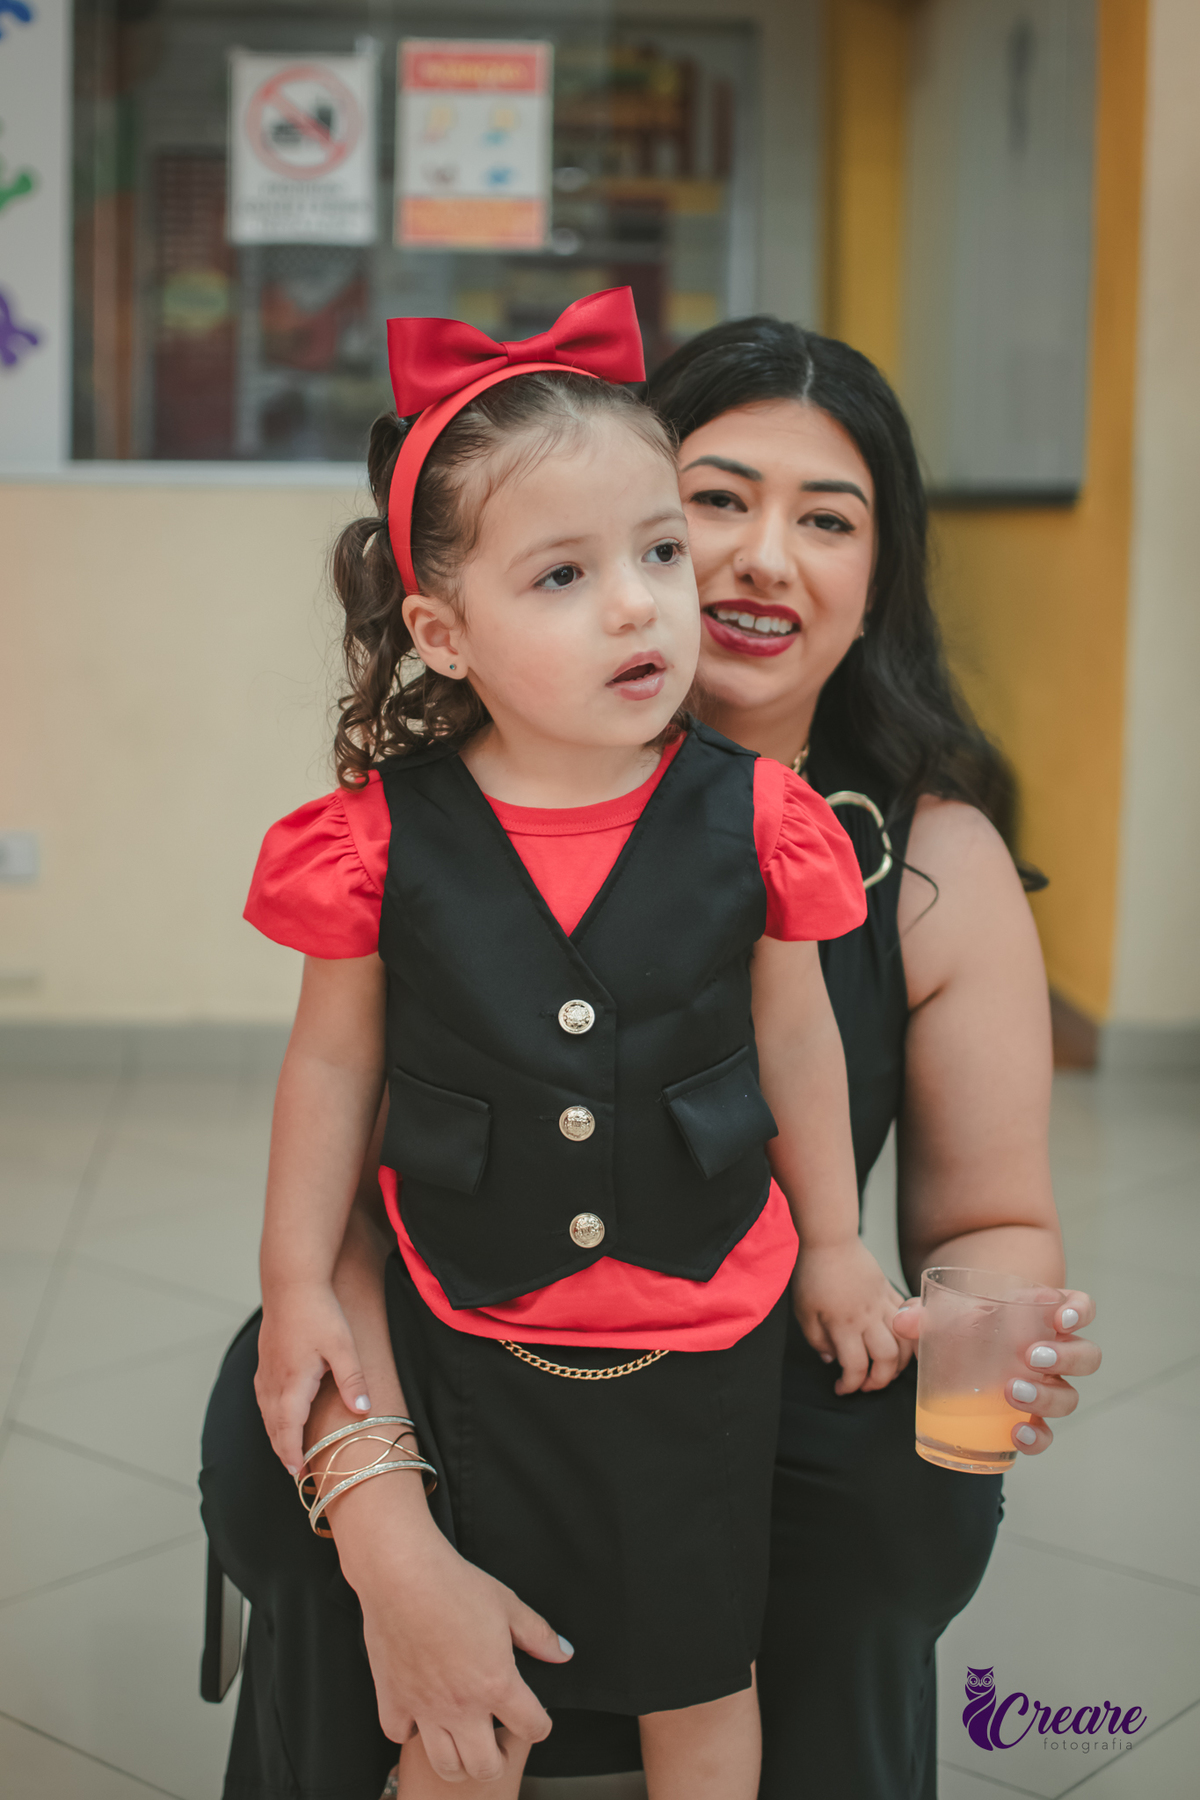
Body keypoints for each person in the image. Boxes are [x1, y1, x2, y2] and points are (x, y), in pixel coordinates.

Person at [210, 288, 902, 1800]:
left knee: (699, 1680)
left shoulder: (760, 818)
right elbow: (332, 1068)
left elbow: (796, 1030)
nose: (645, 604)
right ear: (444, 634)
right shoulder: (380, 844)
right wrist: (289, 1281)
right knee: (468, 1716)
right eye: (566, 575)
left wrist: (841, 1244)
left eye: (661, 551)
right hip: (470, 1326)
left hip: (708, 1322)